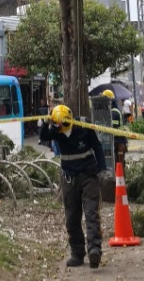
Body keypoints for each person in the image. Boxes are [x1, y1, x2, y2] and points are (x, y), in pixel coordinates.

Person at [39, 104, 108, 268]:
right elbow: (43, 136)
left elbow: (97, 146)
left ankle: (94, 250)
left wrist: (103, 169)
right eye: (58, 125)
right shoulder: (56, 130)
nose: (61, 128)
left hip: (88, 175)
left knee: (91, 213)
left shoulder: (84, 127)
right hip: (69, 178)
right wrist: (45, 122)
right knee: (71, 218)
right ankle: (77, 253)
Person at [103, 89, 128, 163]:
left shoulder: (114, 112)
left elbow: (112, 128)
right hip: (117, 141)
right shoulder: (112, 111)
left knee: (118, 164)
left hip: (118, 141)